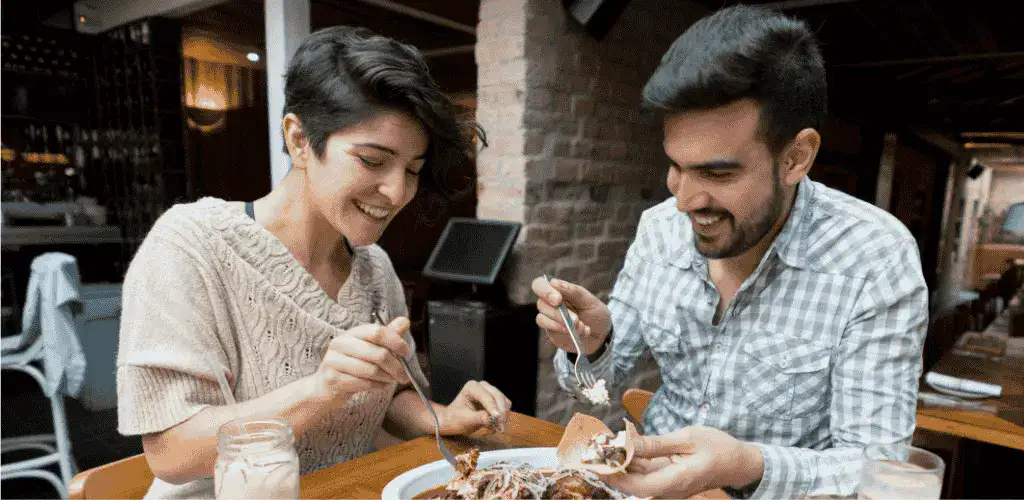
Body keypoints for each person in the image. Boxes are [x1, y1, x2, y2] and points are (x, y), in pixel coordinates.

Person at [532, 5, 928, 499]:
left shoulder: (874, 258)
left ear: (796, 157)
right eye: (676, 166)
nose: (682, 201)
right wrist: (591, 347)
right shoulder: (658, 230)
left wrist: (746, 465)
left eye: (717, 174)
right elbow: (595, 390)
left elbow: (880, 473)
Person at [117, 26, 510, 499]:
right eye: (371, 160)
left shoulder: (374, 267)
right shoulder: (191, 246)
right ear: (299, 139)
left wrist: (440, 417)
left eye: (412, 170)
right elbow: (172, 453)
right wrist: (322, 388)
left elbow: (388, 395)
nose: (398, 192)